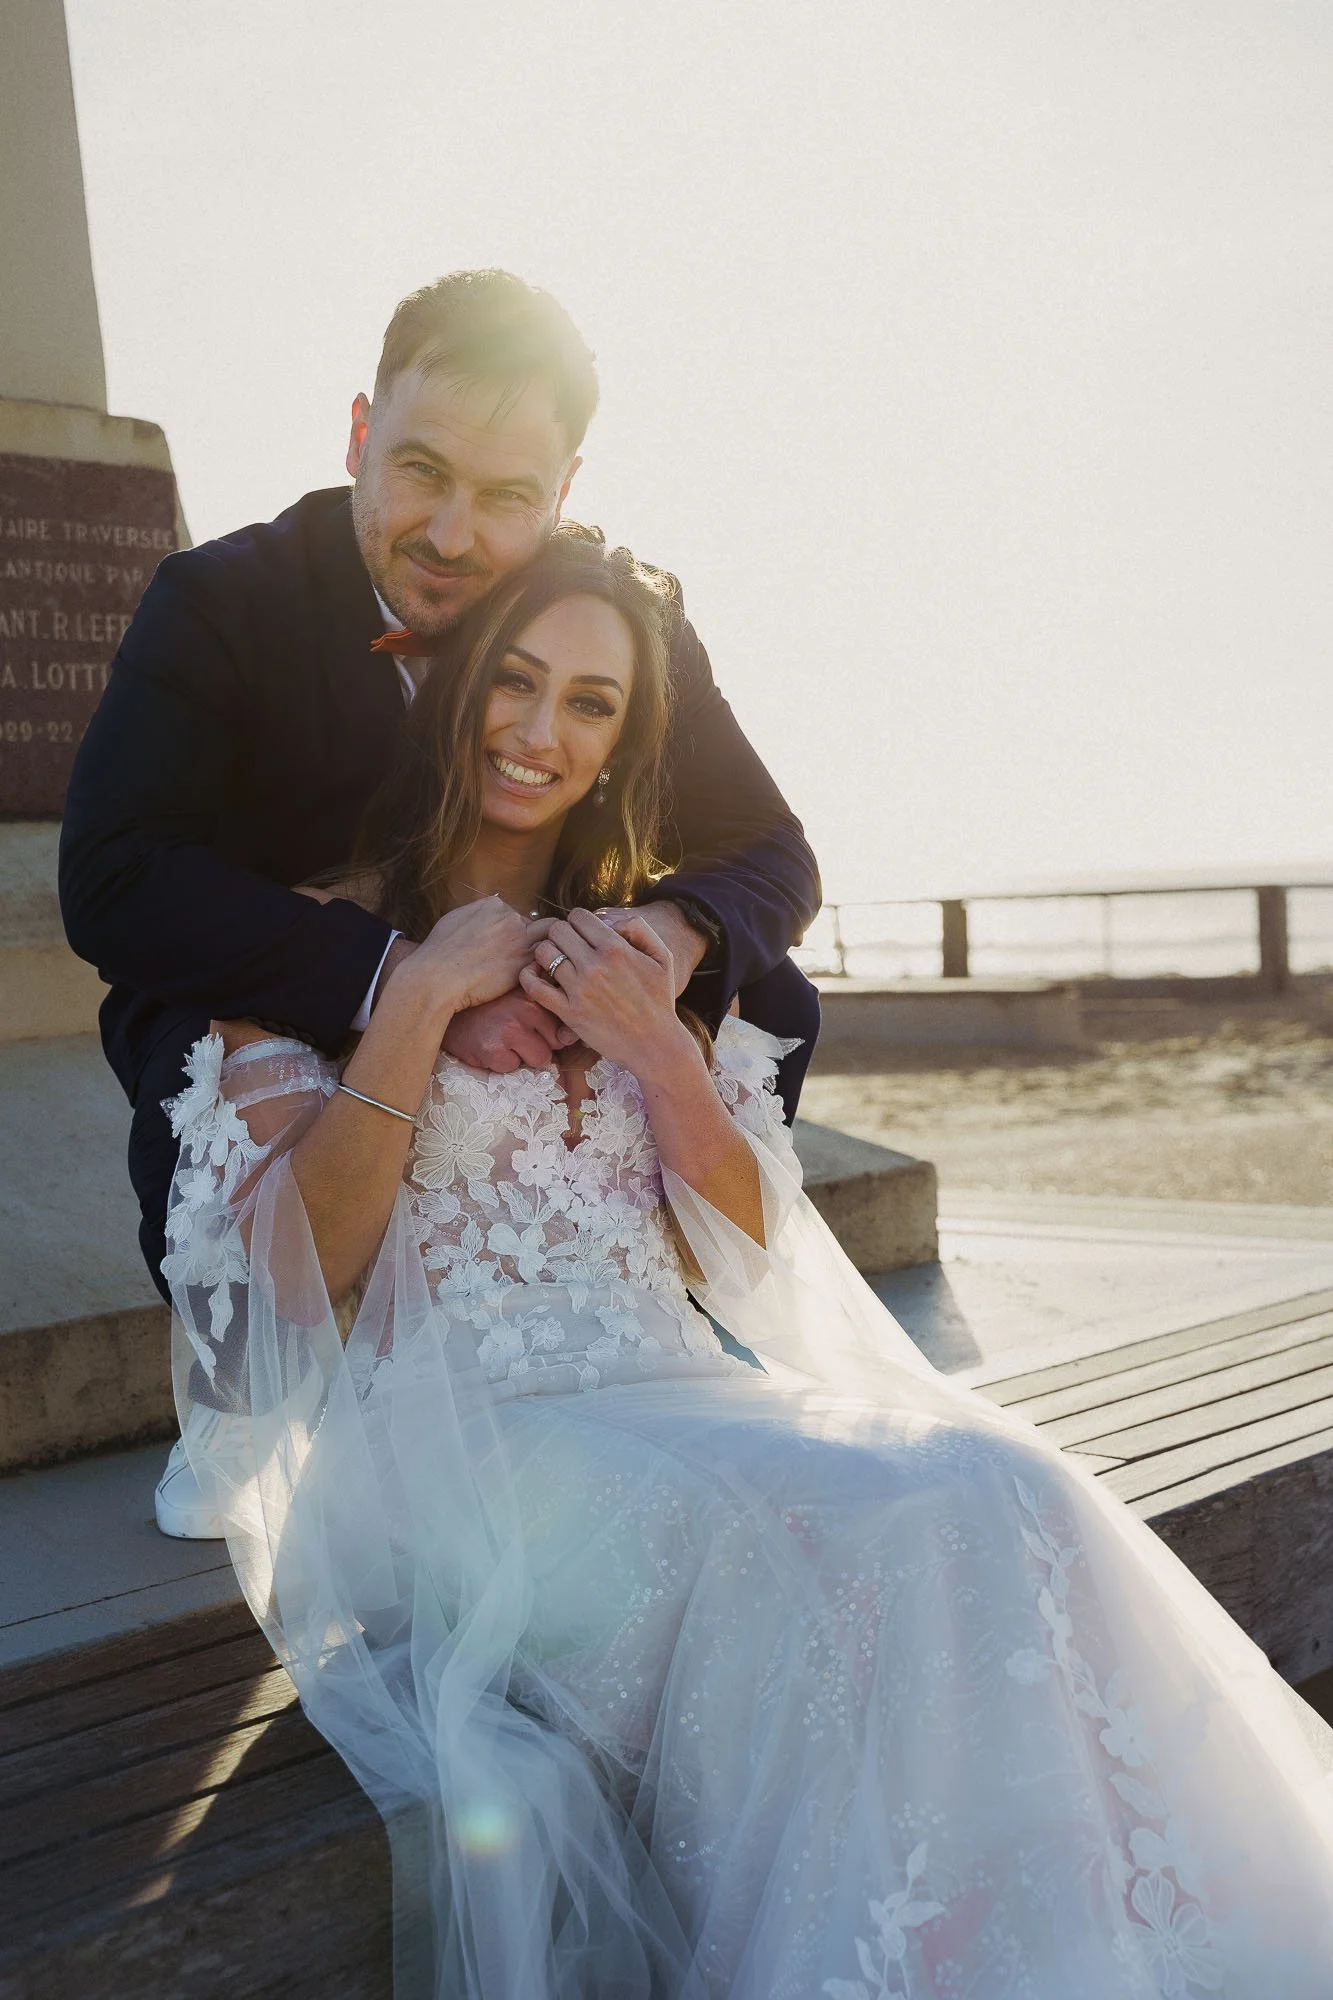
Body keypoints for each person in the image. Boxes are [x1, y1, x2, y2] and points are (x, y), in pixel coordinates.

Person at [165, 529, 1333, 2000]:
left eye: (591, 704)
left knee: (993, 1486)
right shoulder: (310, 943)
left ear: (623, 744)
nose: (541, 732)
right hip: (455, 1445)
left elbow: (752, 1252)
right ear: (452, 684)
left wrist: (660, 1048)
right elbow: (278, 1290)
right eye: (516, 682)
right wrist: (412, 1003)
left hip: (676, 1392)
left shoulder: (651, 947)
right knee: (824, 1539)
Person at [58, 268, 821, 1538]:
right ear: (360, 435)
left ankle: (659, 1297)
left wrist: (653, 943)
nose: (455, 534)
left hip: (535, 969)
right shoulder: (218, 602)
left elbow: (771, 847)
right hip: (290, 979)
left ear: (565, 492)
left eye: (507, 496)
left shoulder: (614, 619)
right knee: (192, 1020)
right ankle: (249, 1385)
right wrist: (405, 978)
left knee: (766, 984)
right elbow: (117, 876)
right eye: (420, 471)